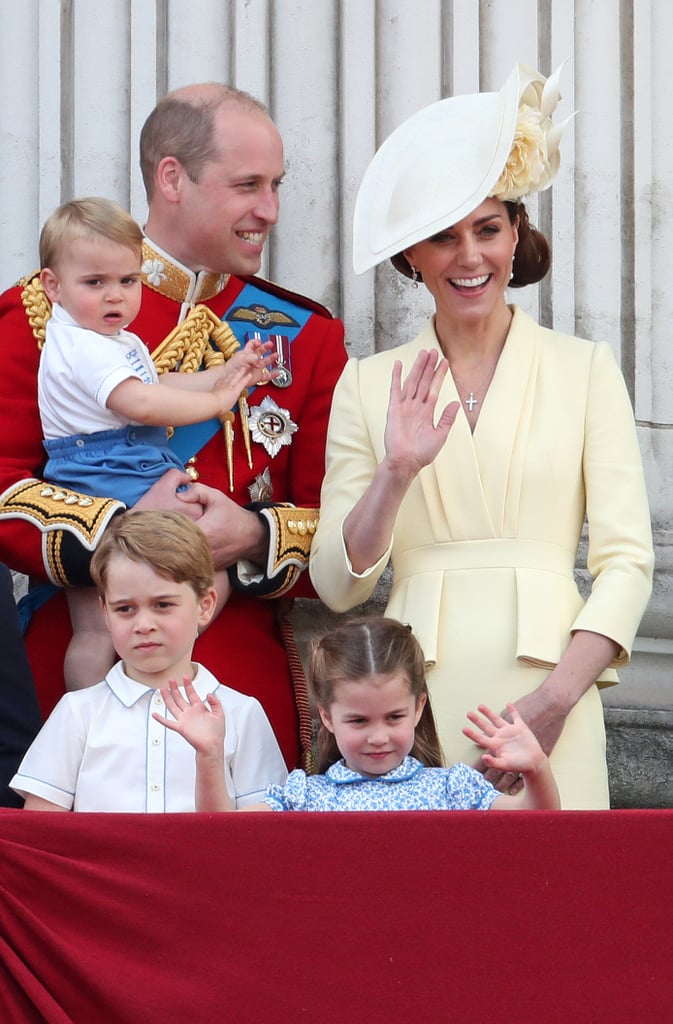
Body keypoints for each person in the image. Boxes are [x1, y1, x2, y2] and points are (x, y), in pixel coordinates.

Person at [308, 65, 654, 809]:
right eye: (442, 236)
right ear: (411, 258)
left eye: (487, 229)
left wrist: (556, 701)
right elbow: (338, 586)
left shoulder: (585, 368)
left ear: (515, 232)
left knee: (555, 905)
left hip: (553, 691)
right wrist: (397, 470)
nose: (469, 257)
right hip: (411, 707)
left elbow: (627, 563)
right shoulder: (366, 384)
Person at [0, 83, 347, 775]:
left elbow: (338, 526)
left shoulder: (306, 336)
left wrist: (253, 534)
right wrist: (120, 531)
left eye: (275, 185)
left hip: (237, 689)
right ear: (171, 178)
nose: (270, 210)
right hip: (82, 677)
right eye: (248, 184)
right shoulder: (41, 316)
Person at [37, 196, 277, 690]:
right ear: (52, 286)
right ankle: (115, 701)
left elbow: (159, 383)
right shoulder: (83, 344)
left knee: (95, 625)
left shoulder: (109, 339)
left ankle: (111, 703)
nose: (115, 297)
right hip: (109, 471)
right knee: (202, 579)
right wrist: (218, 402)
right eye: (95, 283)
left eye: (128, 281)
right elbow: (142, 405)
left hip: (109, 464)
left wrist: (224, 374)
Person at [10, 510, 288, 811]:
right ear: (105, 612)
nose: (143, 624)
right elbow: (42, 831)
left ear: (204, 605)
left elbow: (264, 831)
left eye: (163, 604)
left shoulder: (242, 713)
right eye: (125, 609)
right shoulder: (77, 713)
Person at [153, 617, 560, 811]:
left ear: (418, 708)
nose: (378, 736)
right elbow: (222, 836)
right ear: (327, 717)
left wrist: (536, 768)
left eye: (393, 717)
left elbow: (539, 830)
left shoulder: (455, 790)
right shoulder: (305, 797)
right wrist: (208, 756)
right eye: (358, 721)